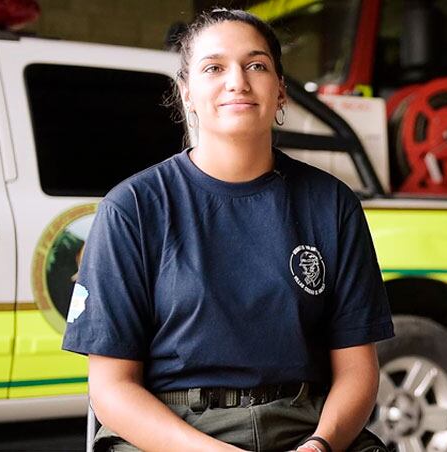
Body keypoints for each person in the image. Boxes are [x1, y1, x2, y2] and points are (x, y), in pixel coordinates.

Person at [61, 8, 394, 452]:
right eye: (214, 68)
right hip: (172, 434)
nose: (237, 81)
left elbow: (356, 370)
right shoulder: (133, 208)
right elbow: (111, 390)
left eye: (256, 65)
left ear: (280, 92)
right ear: (186, 93)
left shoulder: (331, 205)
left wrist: (321, 444)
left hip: (304, 427)